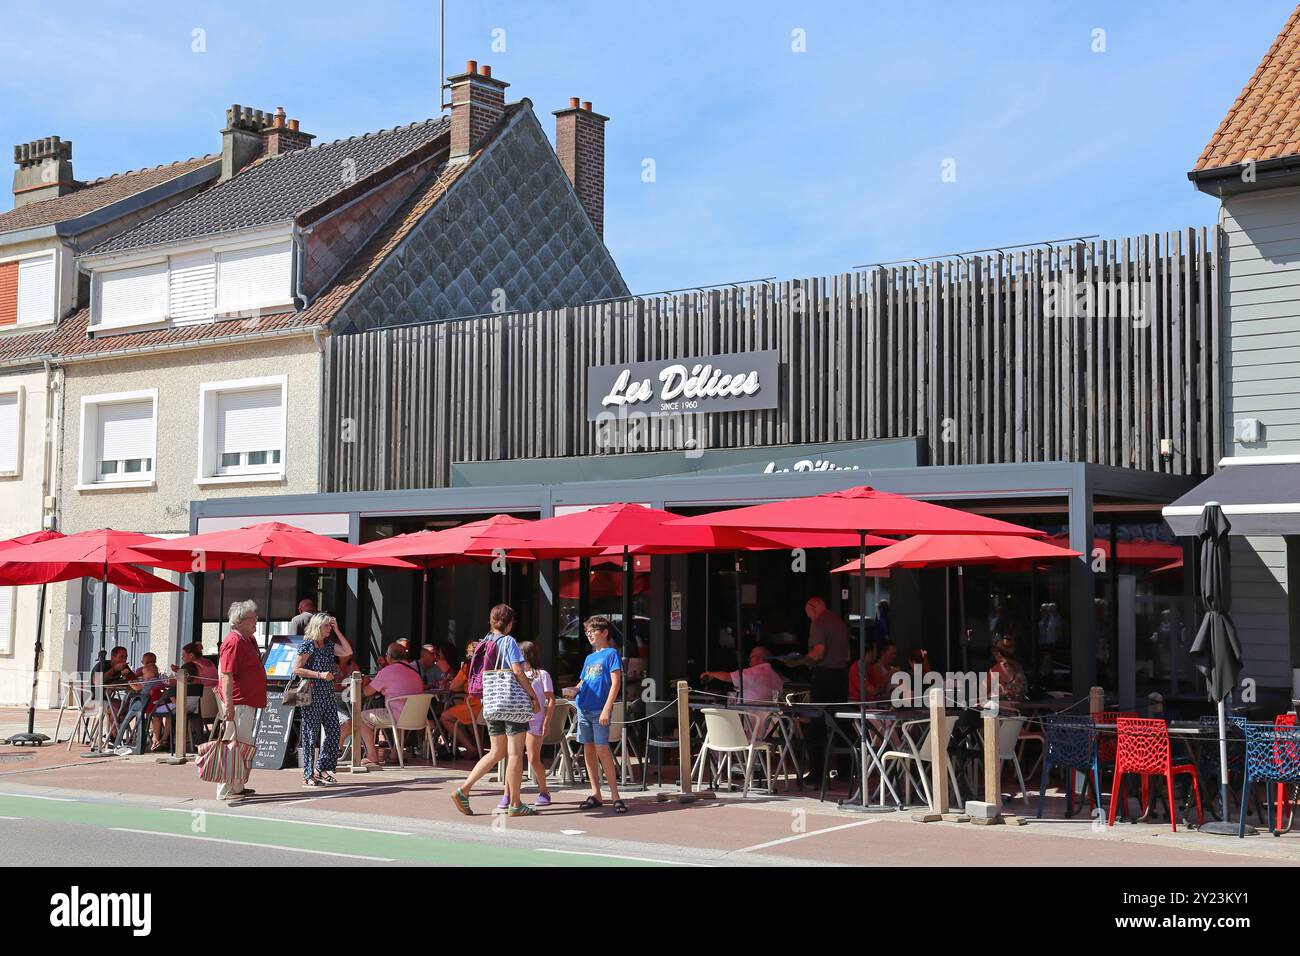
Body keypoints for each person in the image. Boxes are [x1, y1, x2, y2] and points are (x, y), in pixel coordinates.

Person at [450, 605, 542, 817]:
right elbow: (518, 671)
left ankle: (464, 790)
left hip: (491, 701)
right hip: (511, 702)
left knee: (496, 752)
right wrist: (533, 696)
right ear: (509, 623)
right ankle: (516, 803)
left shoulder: (484, 641)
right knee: (515, 753)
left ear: (491, 621)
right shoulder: (508, 641)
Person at [562, 615, 626, 815]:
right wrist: (574, 690)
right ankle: (596, 792)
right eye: (587, 632)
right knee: (588, 750)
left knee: (602, 749)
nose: (589, 635)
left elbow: (616, 683)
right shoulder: (590, 658)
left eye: (593, 631)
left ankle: (615, 795)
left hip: (599, 709)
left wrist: (608, 708)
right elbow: (584, 681)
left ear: (604, 632)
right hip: (584, 708)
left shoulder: (611, 654)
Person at [293, 613, 354, 787]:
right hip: (311, 693)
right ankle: (308, 774)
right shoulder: (308, 644)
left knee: (334, 730)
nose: (329, 629)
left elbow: (348, 651)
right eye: (326, 626)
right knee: (311, 734)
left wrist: (338, 630)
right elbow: (296, 669)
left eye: (330, 626)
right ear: (317, 626)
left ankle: (322, 768)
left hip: (327, 693)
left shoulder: (328, 645)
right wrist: (319, 674)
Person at [216, 600, 267, 803]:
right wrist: (228, 705)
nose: (256, 622)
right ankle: (225, 789)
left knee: (243, 744)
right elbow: (226, 674)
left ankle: (237, 786)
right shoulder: (234, 641)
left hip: (248, 701)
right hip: (238, 702)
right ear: (239, 621)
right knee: (233, 745)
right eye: (252, 619)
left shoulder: (248, 639)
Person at [803, 596, 850, 784]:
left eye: (808, 614)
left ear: (812, 608)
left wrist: (801, 661)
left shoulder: (819, 622)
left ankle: (817, 774)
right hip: (841, 676)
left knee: (817, 725)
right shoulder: (839, 623)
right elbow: (848, 654)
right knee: (842, 723)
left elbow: (819, 651)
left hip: (824, 676)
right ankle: (845, 771)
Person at [504, 640, 554, 809]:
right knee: (512, 757)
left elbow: (550, 699)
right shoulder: (514, 673)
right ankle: (507, 793)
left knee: (533, 758)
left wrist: (547, 721)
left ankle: (544, 790)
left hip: (535, 720)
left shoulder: (541, 674)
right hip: (518, 719)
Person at [356, 642, 424, 764]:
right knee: (399, 711)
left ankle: (372, 756)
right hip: (417, 717)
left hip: (397, 717)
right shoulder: (415, 671)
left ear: (389, 657)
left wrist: (365, 682)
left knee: (361, 717)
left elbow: (366, 692)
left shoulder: (387, 671)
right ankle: (395, 754)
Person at [439, 641, 483, 756]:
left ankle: (470, 748)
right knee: (468, 718)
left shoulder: (468, 665)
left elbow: (454, 686)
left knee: (445, 717)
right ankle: (479, 748)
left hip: (474, 705)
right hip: (487, 705)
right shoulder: (490, 664)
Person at [701, 645, 785, 703]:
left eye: (751, 657)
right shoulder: (776, 676)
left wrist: (711, 674)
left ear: (759, 658)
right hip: (771, 723)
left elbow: (728, 677)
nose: (749, 661)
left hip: (751, 720)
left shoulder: (755, 672)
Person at [989, 637, 1028, 704]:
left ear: (998, 653)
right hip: (1021, 704)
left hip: (1005, 708)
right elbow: (1024, 689)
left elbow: (985, 691)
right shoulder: (1018, 666)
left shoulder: (997, 669)